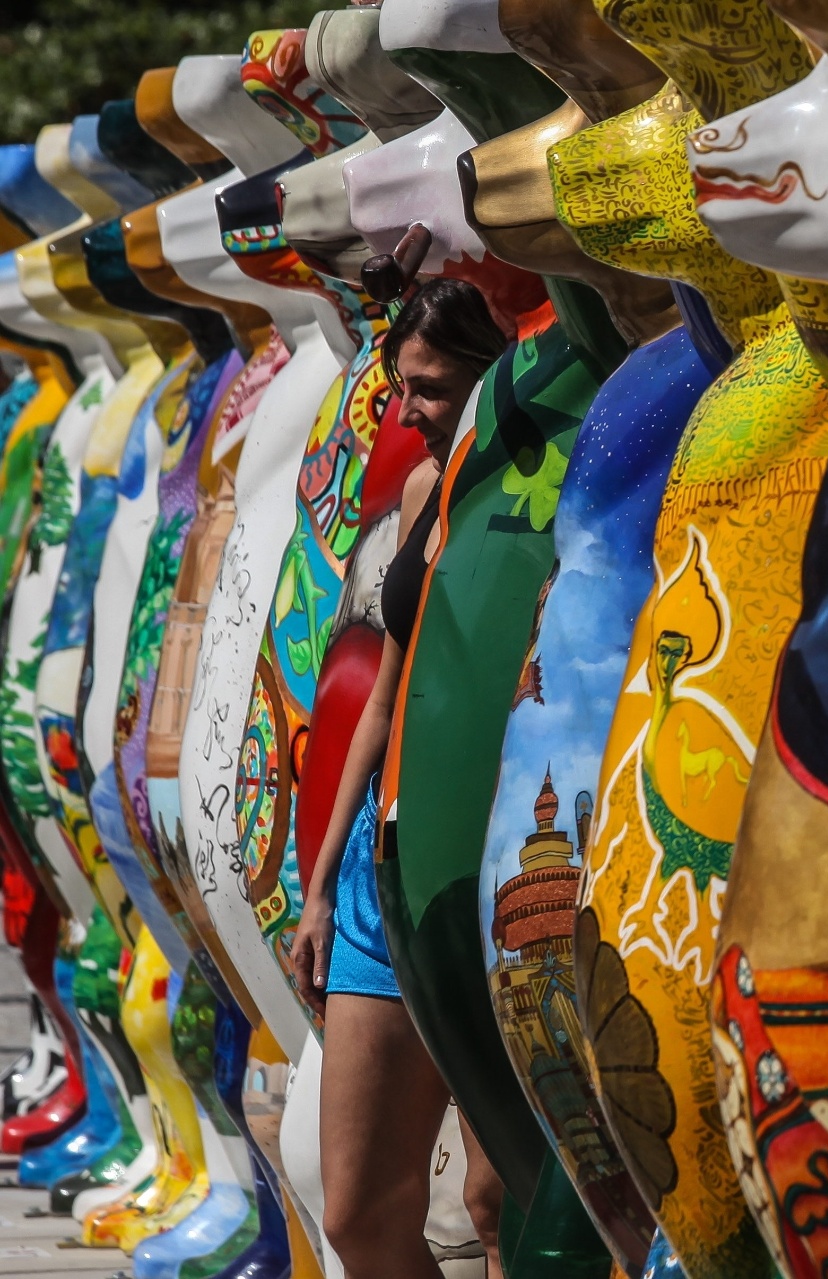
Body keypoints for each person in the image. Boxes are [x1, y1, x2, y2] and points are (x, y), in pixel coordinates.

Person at [287, 277, 510, 1279]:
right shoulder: (422, 490)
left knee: (499, 1199)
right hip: (384, 875)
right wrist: (324, 884)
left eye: (430, 387)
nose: (404, 410)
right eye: (398, 384)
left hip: (496, 870)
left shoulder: (531, 491)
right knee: (358, 1208)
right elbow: (385, 694)